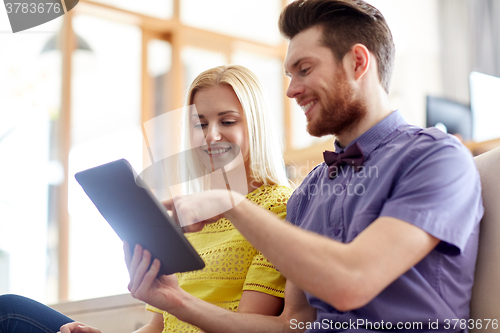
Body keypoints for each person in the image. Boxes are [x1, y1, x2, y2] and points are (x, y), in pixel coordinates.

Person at [125, 0, 484, 332]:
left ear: (358, 62)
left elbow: (352, 281)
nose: (291, 90)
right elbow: (291, 325)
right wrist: (175, 301)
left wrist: (229, 202)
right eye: (289, 74)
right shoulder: (309, 192)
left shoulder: (436, 158)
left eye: (304, 69)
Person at [0, 65, 292, 333]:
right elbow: (158, 326)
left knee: (9, 315)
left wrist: (176, 301)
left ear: (256, 125)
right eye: (200, 124)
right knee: (10, 308)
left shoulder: (277, 207)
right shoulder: (188, 214)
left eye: (227, 121)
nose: (211, 136)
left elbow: (247, 326)